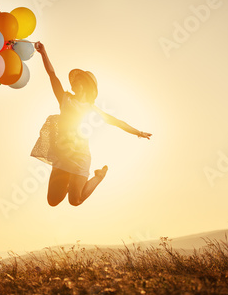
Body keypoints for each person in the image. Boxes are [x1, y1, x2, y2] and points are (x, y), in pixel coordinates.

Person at [31, 42, 152, 207]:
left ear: (86, 87)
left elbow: (116, 122)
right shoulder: (64, 99)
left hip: (80, 157)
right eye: (73, 81)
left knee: (75, 201)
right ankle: (69, 180)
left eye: (78, 81)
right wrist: (43, 53)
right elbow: (52, 75)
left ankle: (98, 176)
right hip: (62, 155)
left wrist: (139, 132)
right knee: (53, 201)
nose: (73, 83)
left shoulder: (91, 109)